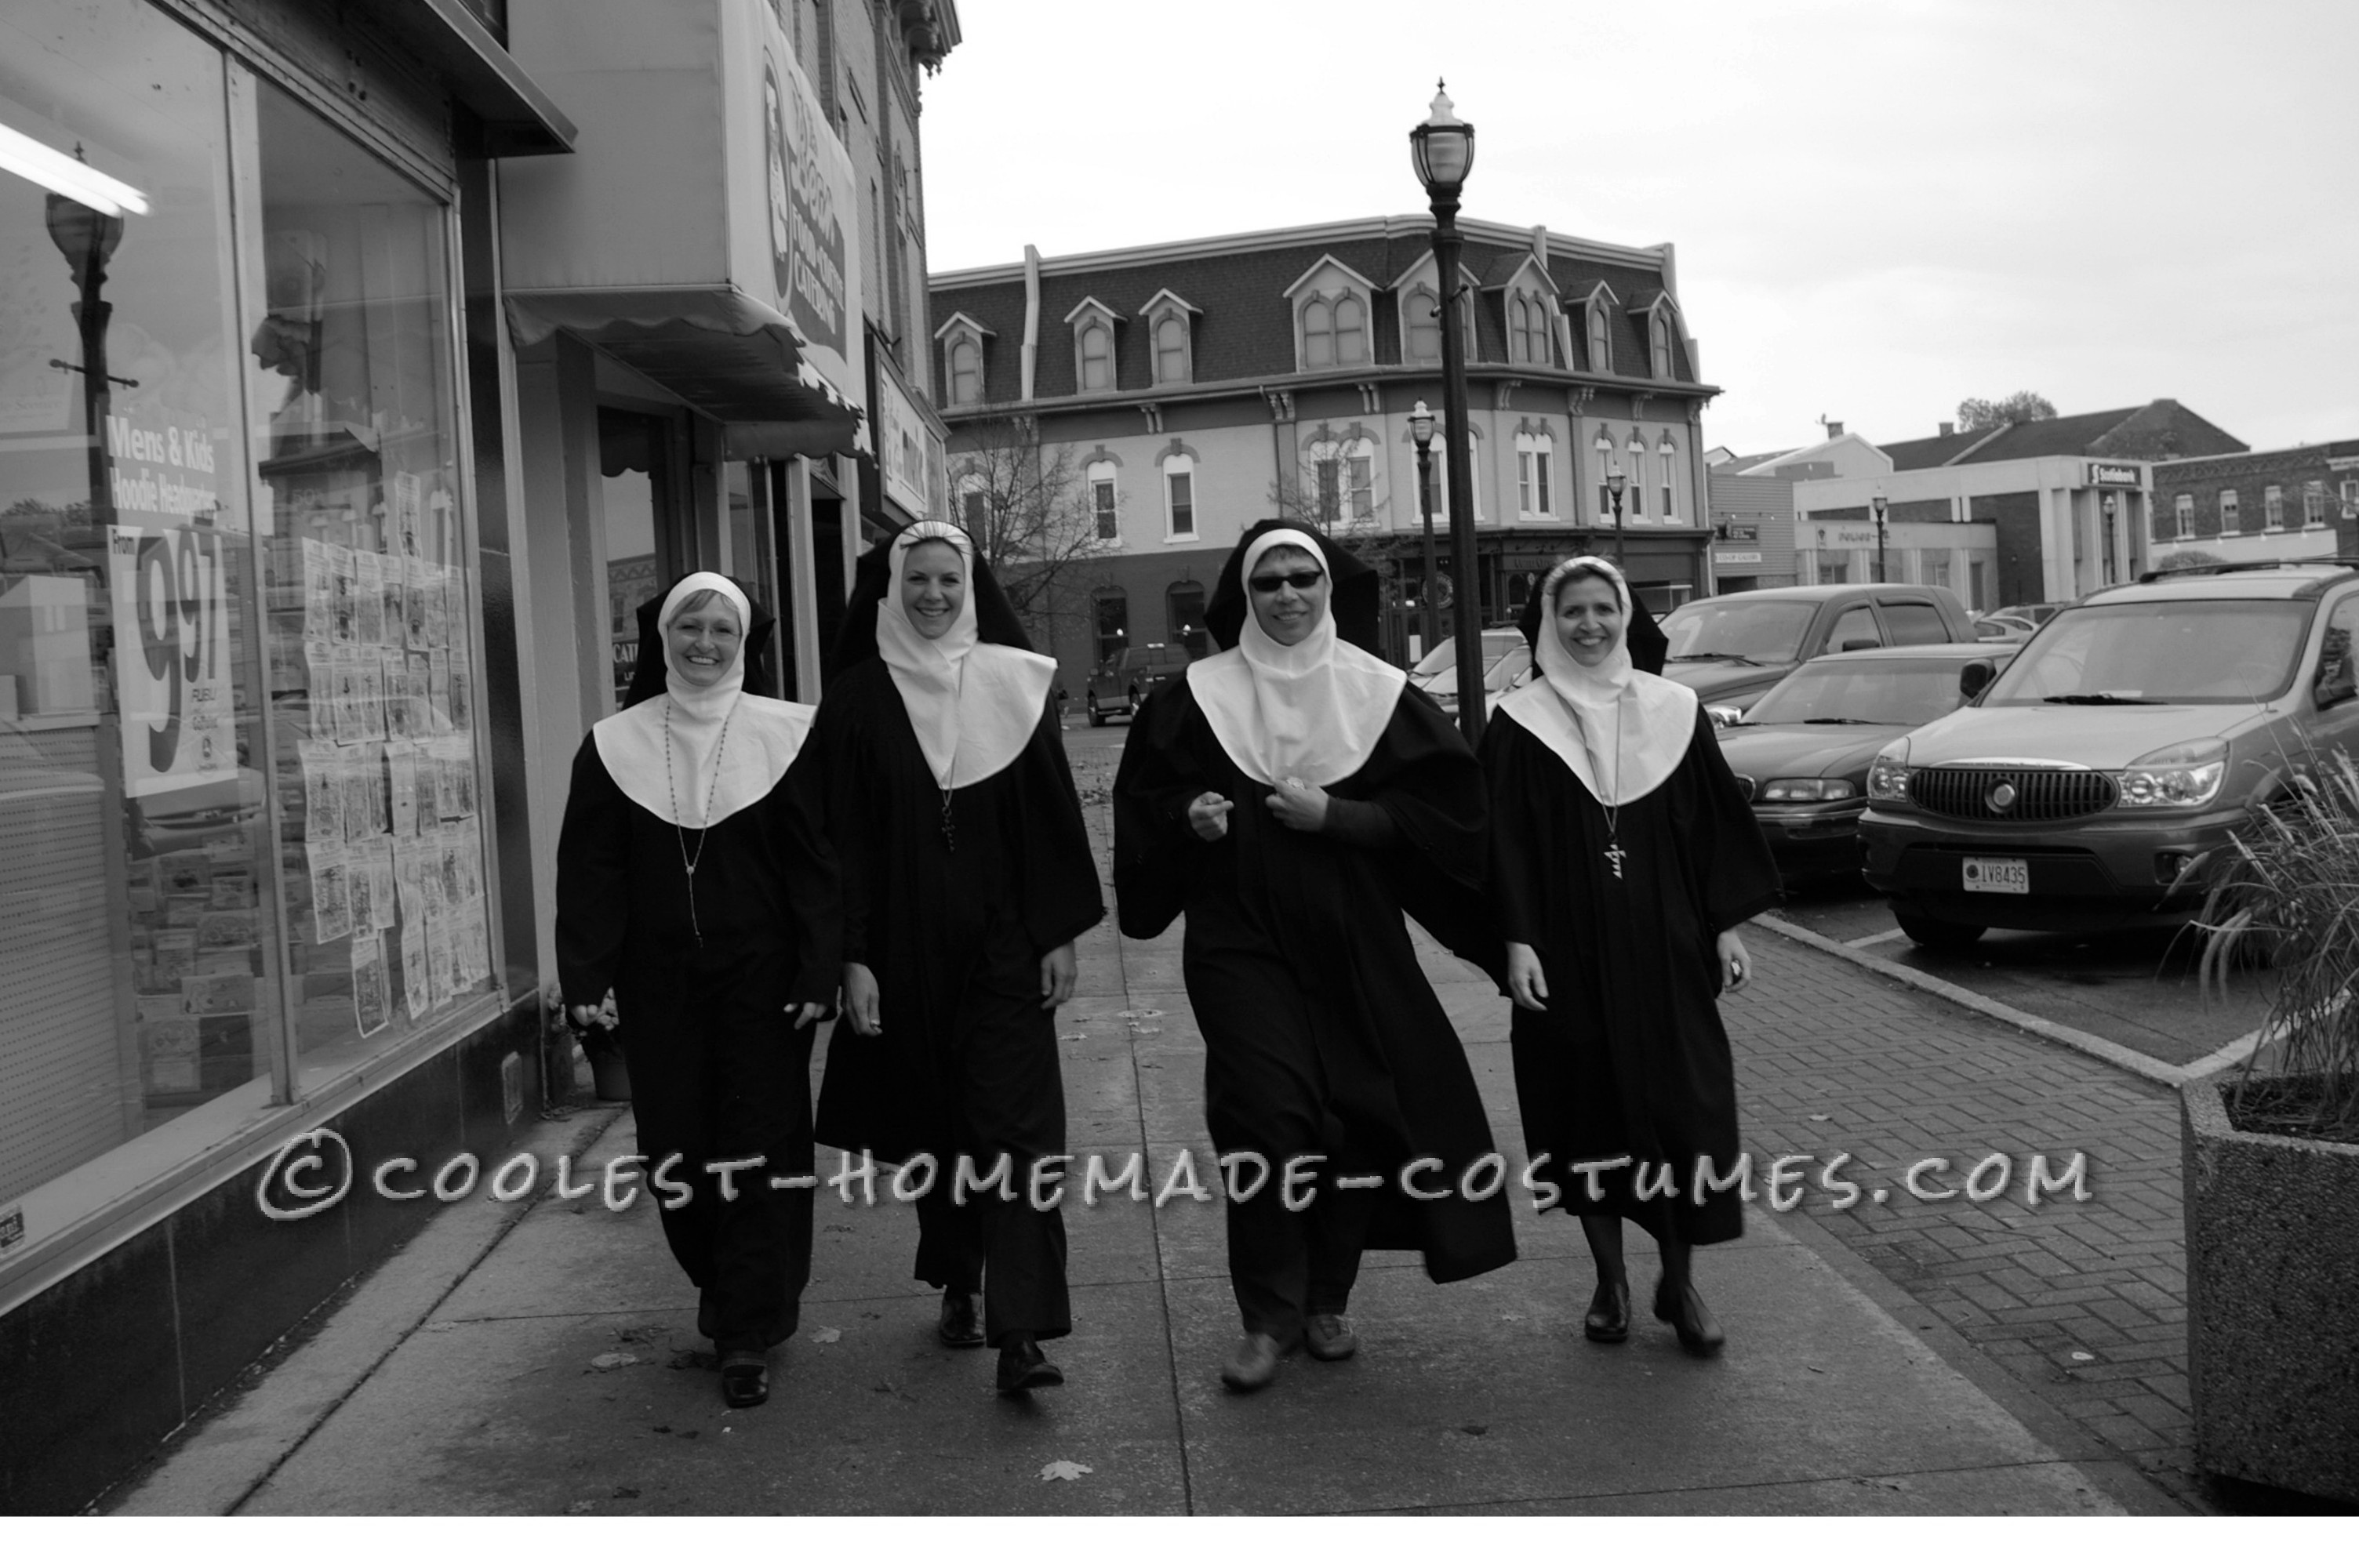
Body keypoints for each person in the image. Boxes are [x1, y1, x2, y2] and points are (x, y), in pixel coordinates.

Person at [1112, 519, 1516, 1392]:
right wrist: (1189, 819)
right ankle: (1266, 1315)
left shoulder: (1379, 692)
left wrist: (1344, 817)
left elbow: (1452, 820)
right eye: (1269, 583)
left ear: (1329, 586)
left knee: (1349, 1117)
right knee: (1266, 1115)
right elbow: (1144, 804)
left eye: (1304, 577)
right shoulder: (1193, 697)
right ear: (1243, 598)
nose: (1288, 594)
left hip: (1351, 936)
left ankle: (1324, 1297)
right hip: (1238, 940)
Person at [812, 520, 1103, 1398]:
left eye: (948, 579)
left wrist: (1058, 930)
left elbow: (1051, 819)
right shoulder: (858, 697)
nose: (933, 595)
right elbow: (842, 842)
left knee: (1016, 1135)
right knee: (936, 1125)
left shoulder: (1016, 683)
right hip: (901, 952)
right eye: (917, 581)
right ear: (892, 590)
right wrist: (851, 957)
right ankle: (956, 1274)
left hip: (1004, 945)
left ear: (971, 586)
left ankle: (1023, 1331)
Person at [555, 572, 839, 1410]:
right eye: (688, 626)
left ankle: (747, 1325)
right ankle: (721, 1286)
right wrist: (585, 979)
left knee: (758, 1145)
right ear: (662, 636)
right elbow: (590, 873)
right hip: (657, 984)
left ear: (745, 640)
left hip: (765, 982)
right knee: (675, 1150)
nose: (704, 643)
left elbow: (817, 867)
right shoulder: (612, 742)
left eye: (721, 628)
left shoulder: (789, 733)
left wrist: (819, 968)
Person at [1481, 556, 1779, 1356]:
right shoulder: (1518, 721)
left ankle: (1677, 1280)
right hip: (1563, 947)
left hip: (1667, 941)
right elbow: (1500, 842)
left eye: (1601, 609)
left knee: (1684, 1111)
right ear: (1549, 620)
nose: (1588, 624)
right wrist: (1514, 938)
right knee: (1584, 1111)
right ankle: (1609, 1279)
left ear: (1625, 615)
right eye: (1571, 610)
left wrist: (1724, 923)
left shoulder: (1674, 710)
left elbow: (1709, 829)